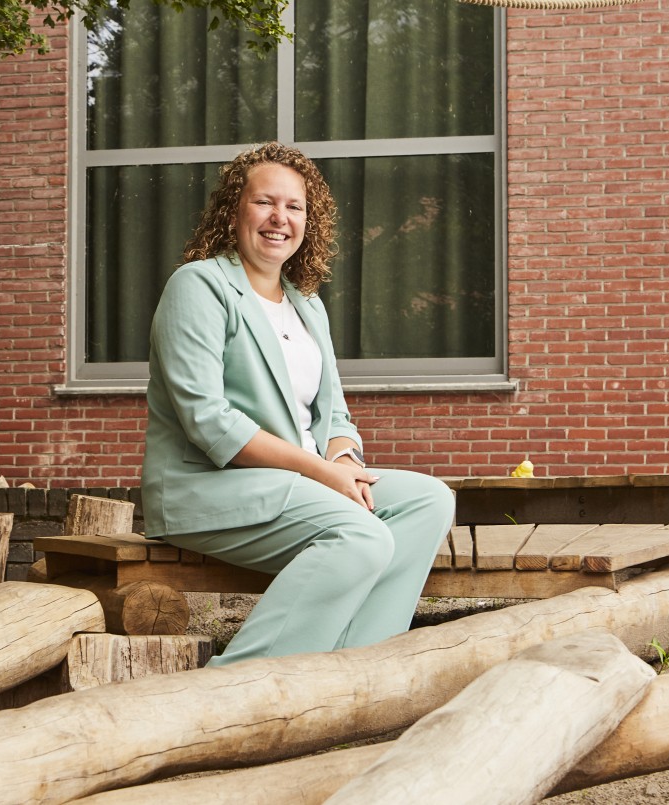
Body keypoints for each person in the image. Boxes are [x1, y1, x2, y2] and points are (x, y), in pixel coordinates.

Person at [142, 142, 454, 666]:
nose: (279, 218)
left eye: (294, 206)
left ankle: (356, 668)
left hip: (301, 482)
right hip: (207, 488)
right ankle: (238, 683)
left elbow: (334, 415)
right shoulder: (198, 285)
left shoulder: (307, 304)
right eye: (265, 202)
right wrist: (322, 472)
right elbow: (208, 421)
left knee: (429, 500)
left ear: (309, 221)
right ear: (233, 211)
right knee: (361, 535)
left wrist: (343, 461)